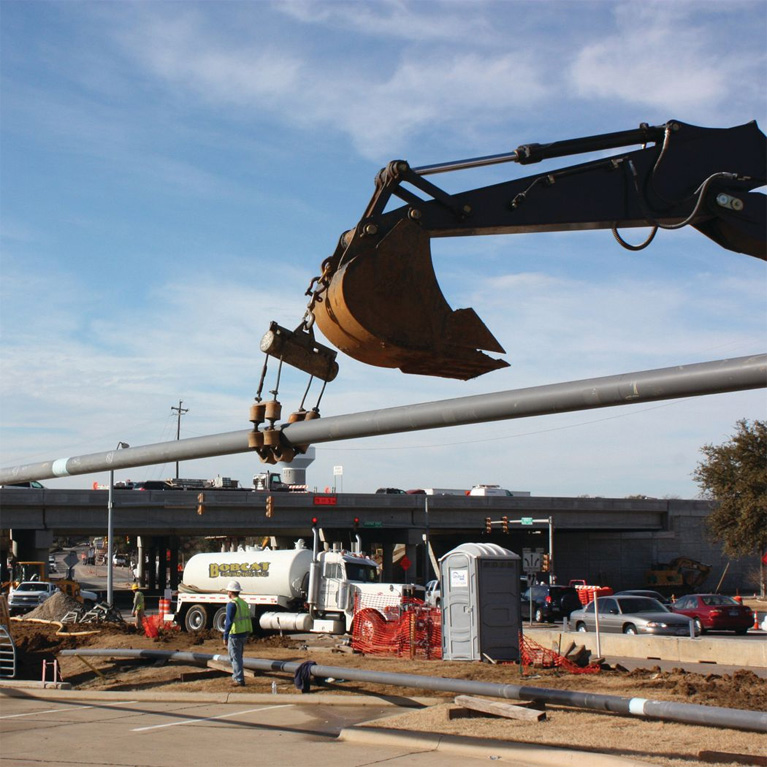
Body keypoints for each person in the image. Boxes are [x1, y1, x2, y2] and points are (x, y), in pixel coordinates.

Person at [223, 580, 252, 687]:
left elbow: (229, 621)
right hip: (243, 633)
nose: (227, 593)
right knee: (238, 657)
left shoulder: (232, 604)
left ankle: (238, 679)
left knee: (235, 657)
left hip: (235, 634)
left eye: (228, 591)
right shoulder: (243, 603)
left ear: (231, 592)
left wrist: (225, 636)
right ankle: (238, 677)